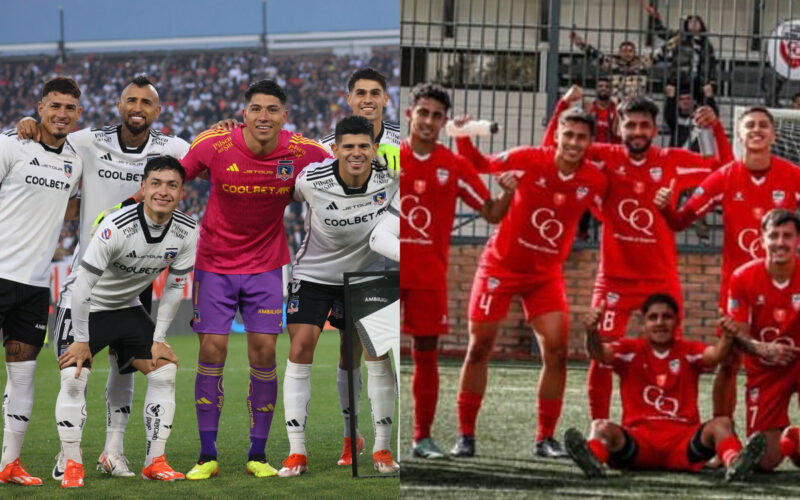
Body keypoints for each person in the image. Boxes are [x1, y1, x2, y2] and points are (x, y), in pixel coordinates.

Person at [19, 75, 191, 479]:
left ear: (157, 110)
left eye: (145, 102)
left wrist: (227, 130)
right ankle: (69, 458)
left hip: (133, 285)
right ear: (118, 105)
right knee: (76, 373)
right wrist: (30, 122)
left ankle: (115, 452)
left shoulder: (174, 149)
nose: (137, 107)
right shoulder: (87, 140)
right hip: (89, 281)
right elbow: (50, 135)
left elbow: (208, 153)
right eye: (130, 100)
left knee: (127, 368)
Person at [545, 85, 733, 422]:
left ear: (655, 128)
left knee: (671, 355)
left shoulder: (671, 161)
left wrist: (714, 128)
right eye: (630, 125)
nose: (637, 132)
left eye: (644, 125)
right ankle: (598, 428)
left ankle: (674, 424)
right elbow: (555, 152)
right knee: (600, 356)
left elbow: (724, 169)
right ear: (619, 126)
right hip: (614, 278)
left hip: (660, 279)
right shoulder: (601, 154)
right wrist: (561, 108)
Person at [180, 79, 329, 480]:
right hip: (214, 264)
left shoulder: (304, 152)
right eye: (256, 109)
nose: (264, 116)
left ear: (284, 116)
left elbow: (342, 166)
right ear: (243, 113)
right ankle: (206, 455)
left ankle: (257, 454)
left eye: (272, 110)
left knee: (264, 353)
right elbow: (174, 177)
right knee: (211, 351)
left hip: (266, 266)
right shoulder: (215, 144)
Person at [451, 109, 607, 458]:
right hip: (500, 267)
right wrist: (462, 136)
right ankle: (465, 435)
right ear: (557, 135)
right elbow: (480, 163)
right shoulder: (528, 159)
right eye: (568, 135)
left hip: (545, 276)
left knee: (557, 352)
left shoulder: (594, 180)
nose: (573, 143)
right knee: (479, 348)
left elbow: (610, 211)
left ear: (589, 143)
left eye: (581, 137)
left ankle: (544, 439)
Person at [56, 156, 197, 487]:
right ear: (144, 187)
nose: (164, 191)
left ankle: (155, 461)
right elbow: (82, 288)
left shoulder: (188, 231)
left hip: (127, 307)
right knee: (74, 377)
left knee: (164, 369)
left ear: (181, 192)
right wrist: (80, 339)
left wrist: (159, 338)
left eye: (172, 185)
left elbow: (176, 288)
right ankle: (73, 464)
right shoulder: (116, 226)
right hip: (85, 307)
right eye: (157, 183)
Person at [654, 107, 800, 423]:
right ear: (740, 135)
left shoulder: (793, 175)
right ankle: (723, 433)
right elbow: (681, 221)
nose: (757, 130)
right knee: (729, 361)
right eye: (750, 125)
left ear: (775, 135)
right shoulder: (724, 177)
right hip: (739, 289)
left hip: (788, 288)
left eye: (764, 125)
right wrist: (666, 209)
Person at [278, 115, 399, 477]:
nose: (356, 153)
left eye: (364, 146)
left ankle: (380, 449)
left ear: (375, 149)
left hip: (368, 275)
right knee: (300, 349)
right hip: (314, 275)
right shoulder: (311, 180)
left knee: (372, 355)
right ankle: (296, 452)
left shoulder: (391, 177)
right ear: (335, 150)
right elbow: (276, 192)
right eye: (348, 146)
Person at [401, 82, 514, 459]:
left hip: (428, 276)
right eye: (423, 113)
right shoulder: (384, 158)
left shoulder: (453, 165)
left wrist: (509, 191)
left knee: (426, 354)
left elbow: (492, 213)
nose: (429, 121)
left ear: (446, 121)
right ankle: (358, 441)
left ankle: (421, 438)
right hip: (381, 271)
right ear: (409, 115)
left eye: (437, 115)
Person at [565, 293, 766, 481]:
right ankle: (592, 460)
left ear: (677, 322)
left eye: (667, 317)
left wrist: (728, 337)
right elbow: (598, 354)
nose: (660, 322)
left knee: (722, 424)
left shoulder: (688, 351)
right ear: (644, 323)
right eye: (653, 317)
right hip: (640, 443)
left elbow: (715, 356)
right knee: (600, 426)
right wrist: (591, 333)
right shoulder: (629, 350)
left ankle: (735, 463)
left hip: (683, 444)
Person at [0, 77, 84, 487]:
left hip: (34, 286)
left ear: (78, 114)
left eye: (69, 107)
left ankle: (9, 463)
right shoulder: (11, 145)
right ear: (40, 107)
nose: (61, 114)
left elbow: (66, 208)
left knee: (23, 374)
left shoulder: (75, 159)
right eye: (55, 106)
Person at [320, 67, 401, 467]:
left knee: (384, 353)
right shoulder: (325, 147)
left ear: (386, 98)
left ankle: (387, 443)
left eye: (375, 92)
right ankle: (353, 439)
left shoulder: (405, 144)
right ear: (349, 98)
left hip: (394, 260)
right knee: (350, 351)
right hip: (350, 266)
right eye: (360, 93)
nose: (367, 99)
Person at [719, 209, 800, 472]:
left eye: (787, 236)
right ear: (761, 240)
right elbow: (739, 334)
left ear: (797, 241)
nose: (780, 242)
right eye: (773, 235)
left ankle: (794, 440)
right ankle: (789, 442)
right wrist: (762, 349)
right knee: (764, 462)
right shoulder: (743, 277)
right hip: (766, 369)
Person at [645, 5, 717, 106]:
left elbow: (711, 63)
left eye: (697, 22)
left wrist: (712, 82)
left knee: (703, 105)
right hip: (680, 78)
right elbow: (661, 31)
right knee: (674, 104)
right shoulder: (679, 37)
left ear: (702, 25)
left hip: (699, 80)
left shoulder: (706, 43)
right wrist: (655, 17)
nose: (694, 24)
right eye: (691, 22)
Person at [569, 33, 662, 101]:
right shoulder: (613, 64)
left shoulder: (642, 64)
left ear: (634, 53)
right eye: (624, 51)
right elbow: (593, 54)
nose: (627, 53)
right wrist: (579, 43)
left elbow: (661, 53)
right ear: (619, 53)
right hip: (617, 104)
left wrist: (675, 41)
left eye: (630, 51)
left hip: (637, 103)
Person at [664, 82, 719, 151]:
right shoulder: (674, 118)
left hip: (697, 157)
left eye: (688, 98)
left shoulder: (701, 117)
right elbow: (668, 115)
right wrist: (670, 98)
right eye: (681, 99)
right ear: (678, 103)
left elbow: (713, 117)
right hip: (678, 158)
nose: (685, 101)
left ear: (694, 101)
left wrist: (709, 97)